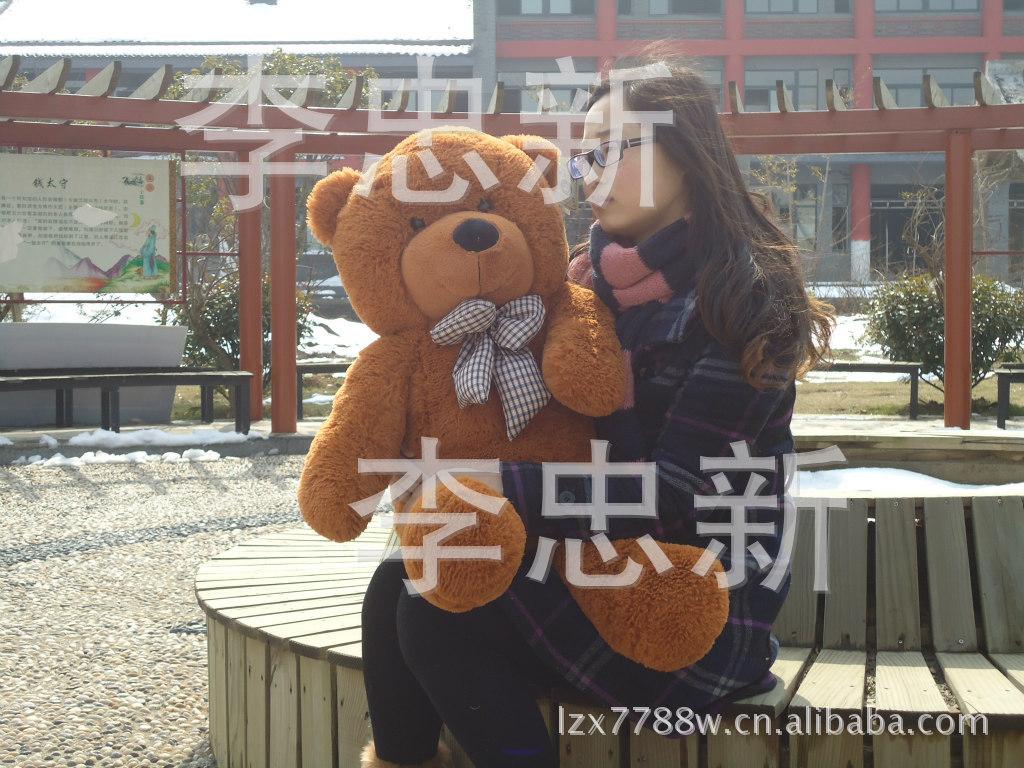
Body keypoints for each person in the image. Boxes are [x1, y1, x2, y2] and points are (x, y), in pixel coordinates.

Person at [359, 49, 835, 768]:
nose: (591, 173)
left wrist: (495, 485)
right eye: (587, 155)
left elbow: (675, 498)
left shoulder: (743, 301)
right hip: (595, 563)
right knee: (404, 574)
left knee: (434, 609)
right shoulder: (584, 288)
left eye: (616, 148)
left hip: (693, 602)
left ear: (687, 152)